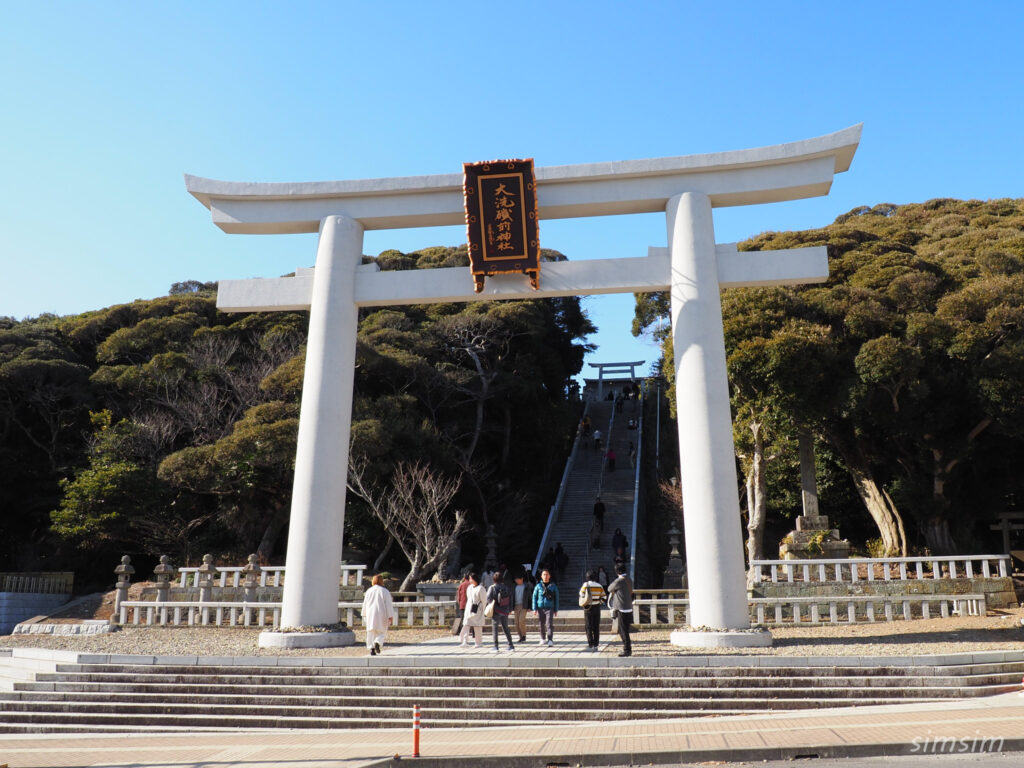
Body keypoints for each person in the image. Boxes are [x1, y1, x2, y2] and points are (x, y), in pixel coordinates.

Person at [361, 573, 395, 656]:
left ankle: (372, 649)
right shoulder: (385, 591)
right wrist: (390, 615)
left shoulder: (369, 591)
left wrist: (364, 613)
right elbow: (388, 605)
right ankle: (378, 642)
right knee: (381, 631)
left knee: (371, 632)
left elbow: (365, 603)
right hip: (381, 613)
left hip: (370, 613)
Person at [606, 563, 633, 657]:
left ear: (617, 571)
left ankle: (627, 650)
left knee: (623, 631)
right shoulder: (629, 579)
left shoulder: (618, 581)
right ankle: (627, 648)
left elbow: (609, 588)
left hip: (622, 609)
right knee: (625, 629)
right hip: (629, 607)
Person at [486, 571, 515, 653]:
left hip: (496, 610)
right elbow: (511, 599)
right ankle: (511, 645)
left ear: (494, 579)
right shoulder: (507, 587)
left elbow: (488, 599)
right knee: (506, 628)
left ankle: (496, 647)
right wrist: (510, 609)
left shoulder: (492, 588)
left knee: (495, 628)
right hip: (505, 610)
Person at [578, 570, 607, 651]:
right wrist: (598, 601)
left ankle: (590, 644)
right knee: (596, 626)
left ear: (587, 577)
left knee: (588, 626)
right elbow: (604, 597)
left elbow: (581, 594)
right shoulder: (599, 585)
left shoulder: (585, 585)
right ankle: (596, 644)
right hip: (597, 607)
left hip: (588, 607)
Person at [531, 568, 559, 646]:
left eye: (547, 574)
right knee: (541, 624)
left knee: (549, 624)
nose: (545, 576)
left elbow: (557, 598)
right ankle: (542, 638)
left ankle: (550, 639)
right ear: (541, 576)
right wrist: (534, 608)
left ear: (549, 576)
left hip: (550, 607)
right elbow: (534, 597)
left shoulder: (553, 586)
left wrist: (556, 609)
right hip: (540, 608)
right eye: (544, 574)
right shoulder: (538, 586)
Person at [458, 572, 486, 647]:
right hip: (469, 607)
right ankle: (464, 641)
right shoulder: (470, 587)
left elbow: (484, 600)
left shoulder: (481, 588)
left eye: (470, 578)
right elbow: (468, 597)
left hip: (478, 608)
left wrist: (483, 609)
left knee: (477, 626)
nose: (469, 580)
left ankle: (478, 642)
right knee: (466, 624)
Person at [512, 573, 530, 643]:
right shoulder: (514, 587)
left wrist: (529, 606)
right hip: (516, 606)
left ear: (522, 579)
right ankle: (520, 636)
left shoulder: (526, 586)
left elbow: (529, 597)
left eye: (518, 579)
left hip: (523, 605)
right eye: (515, 579)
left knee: (521, 620)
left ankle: (524, 635)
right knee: (516, 622)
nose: (516, 580)